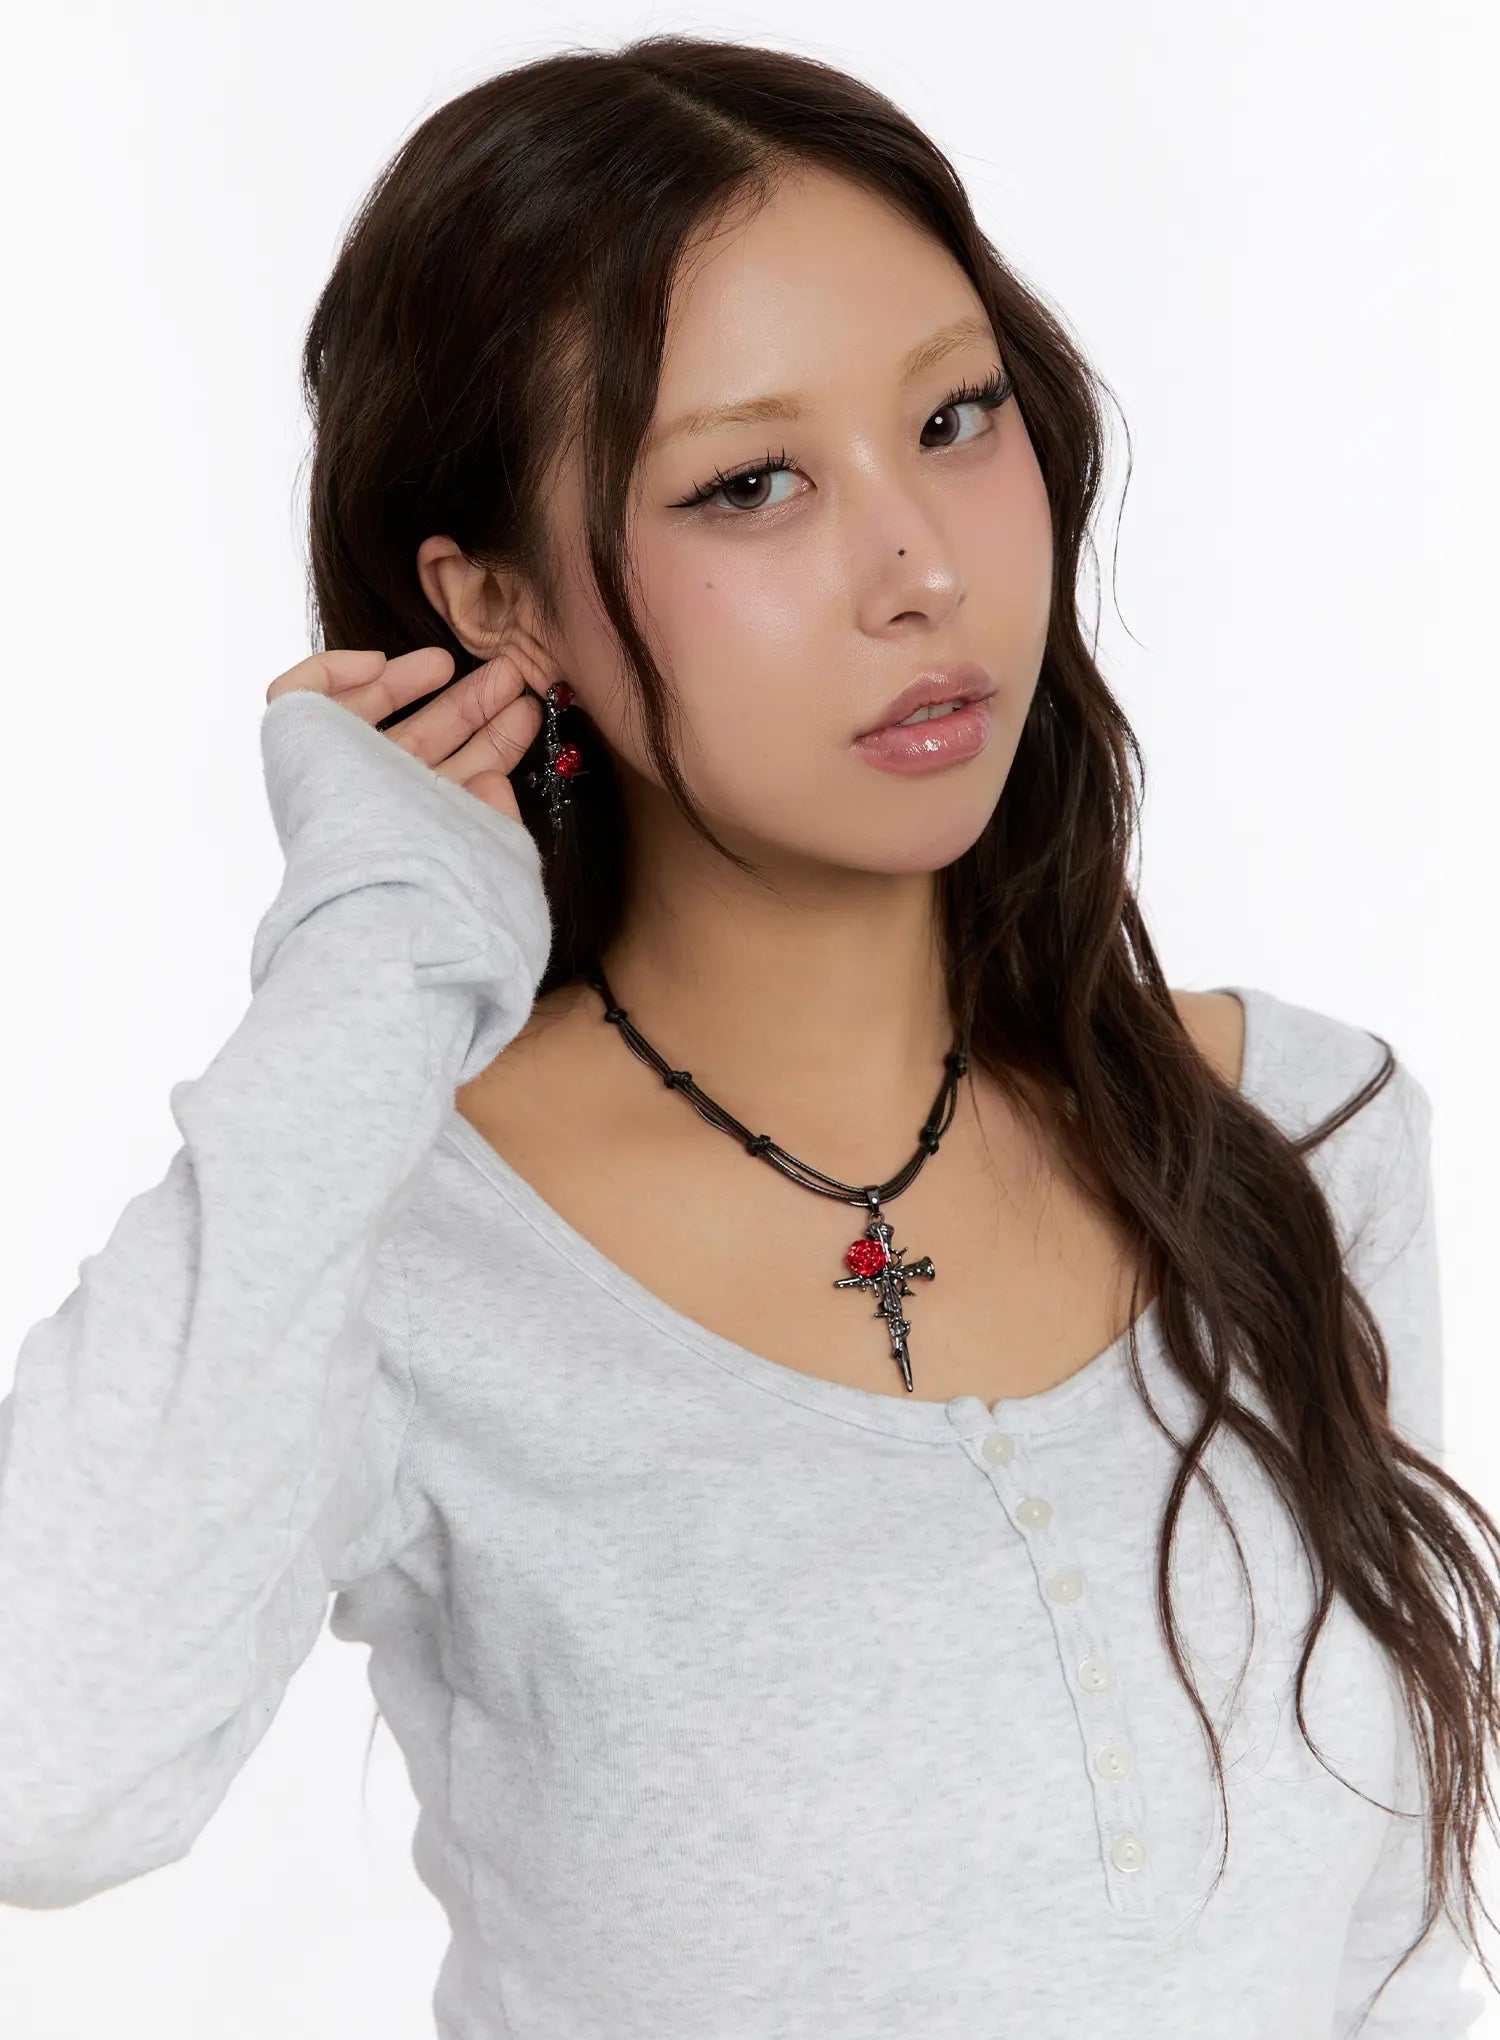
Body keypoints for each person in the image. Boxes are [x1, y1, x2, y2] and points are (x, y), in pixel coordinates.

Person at [0, 32, 1494, 2038]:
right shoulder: (394, 1243)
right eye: (751, 485)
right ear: (500, 605)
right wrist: (378, 951)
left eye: (955, 417)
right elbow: (42, 1764)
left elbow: (1390, 1966)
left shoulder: (1304, 1130)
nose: (923, 566)